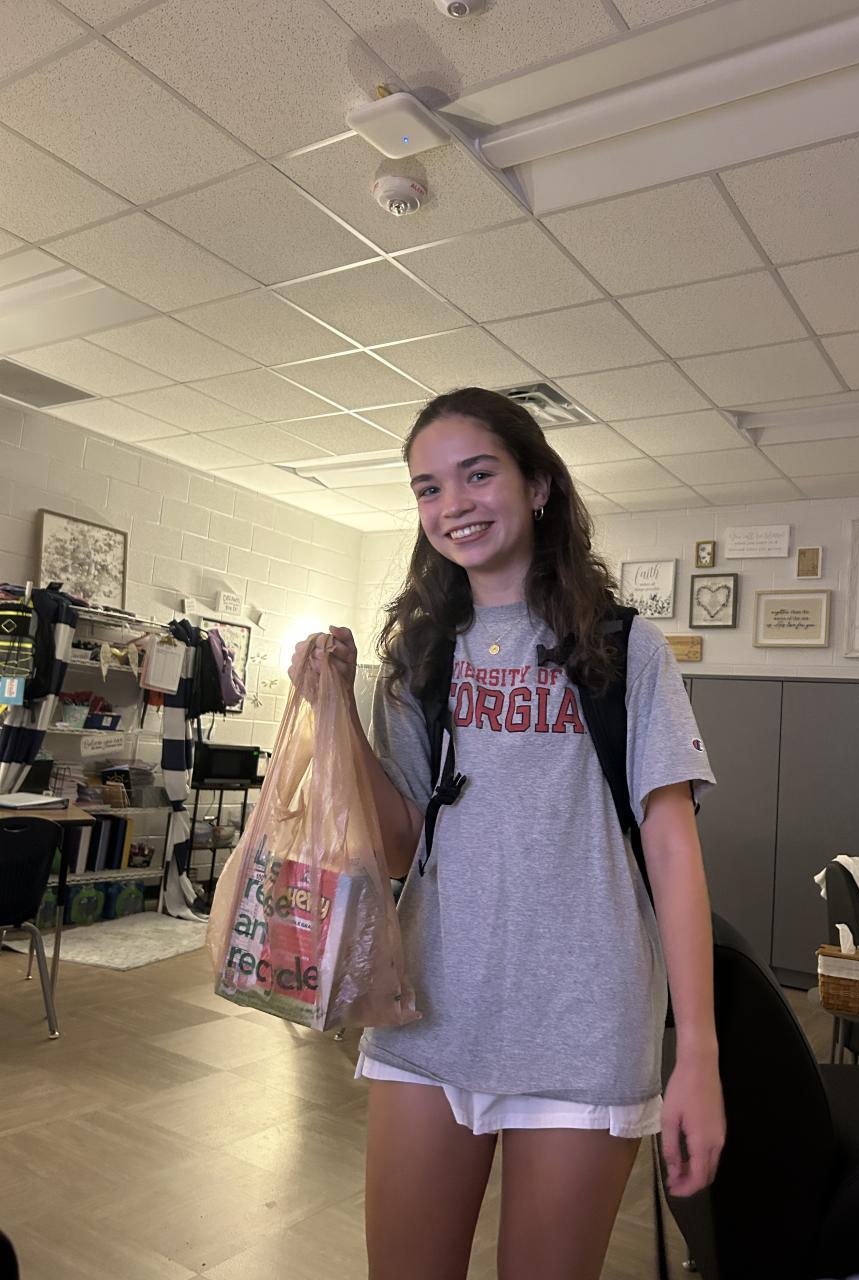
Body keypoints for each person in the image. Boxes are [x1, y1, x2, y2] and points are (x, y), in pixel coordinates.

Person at [291, 387, 725, 1280]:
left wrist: (700, 1053)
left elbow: (672, 848)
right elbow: (402, 842)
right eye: (428, 487)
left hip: (584, 1028)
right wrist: (334, 712)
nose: (452, 503)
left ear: (537, 485)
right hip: (427, 1016)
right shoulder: (418, 656)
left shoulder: (627, 648)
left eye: (477, 474)